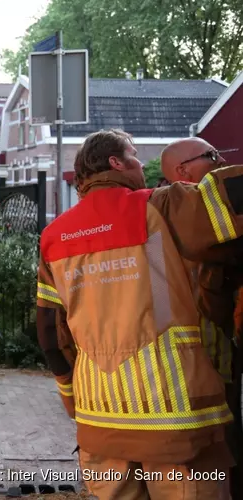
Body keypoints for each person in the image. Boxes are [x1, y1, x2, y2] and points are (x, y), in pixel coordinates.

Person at [37, 129, 243, 499]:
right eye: (134, 155)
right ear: (116, 163)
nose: (141, 166)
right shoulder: (161, 207)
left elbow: (53, 333)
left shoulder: (55, 236)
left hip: (99, 419)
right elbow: (232, 200)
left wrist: (72, 399)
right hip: (177, 423)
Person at [161, 137, 243, 500]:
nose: (220, 160)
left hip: (186, 366)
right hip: (210, 361)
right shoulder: (198, 216)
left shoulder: (159, 215)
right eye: (211, 156)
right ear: (183, 171)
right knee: (222, 453)